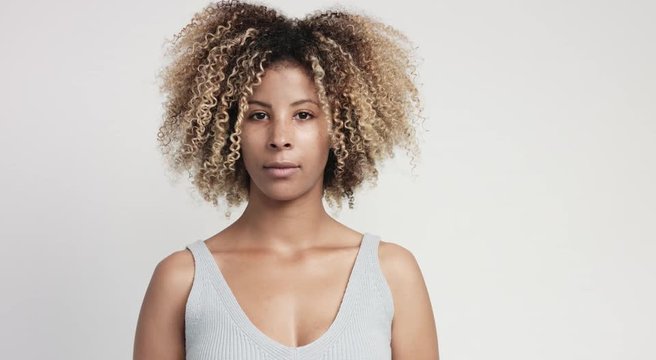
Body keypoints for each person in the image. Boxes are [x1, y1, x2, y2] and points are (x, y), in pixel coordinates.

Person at [133, 0, 439, 359]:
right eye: (258, 115)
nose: (280, 137)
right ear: (228, 128)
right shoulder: (181, 281)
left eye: (304, 114)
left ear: (341, 128)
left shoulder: (392, 274)